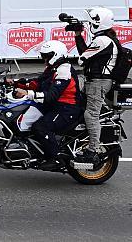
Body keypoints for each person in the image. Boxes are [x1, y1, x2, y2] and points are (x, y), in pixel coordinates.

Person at [14, 40, 83, 170]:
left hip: (67, 109)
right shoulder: (52, 68)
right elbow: (39, 83)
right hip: (55, 106)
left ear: (55, 55)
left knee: (40, 127)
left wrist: (27, 93)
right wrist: (15, 83)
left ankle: (57, 159)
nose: (44, 59)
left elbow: (51, 96)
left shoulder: (64, 70)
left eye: (46, 56)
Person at [73, 7, 119, 165]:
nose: (88, 24)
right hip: (95, 81)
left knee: (90, 115)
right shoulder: (103, 39)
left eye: (90, 22)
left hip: (98, 83)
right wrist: (78, 34)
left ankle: (93, 150)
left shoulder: (102, 40)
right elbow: (85, 52)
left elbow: (82, 58)